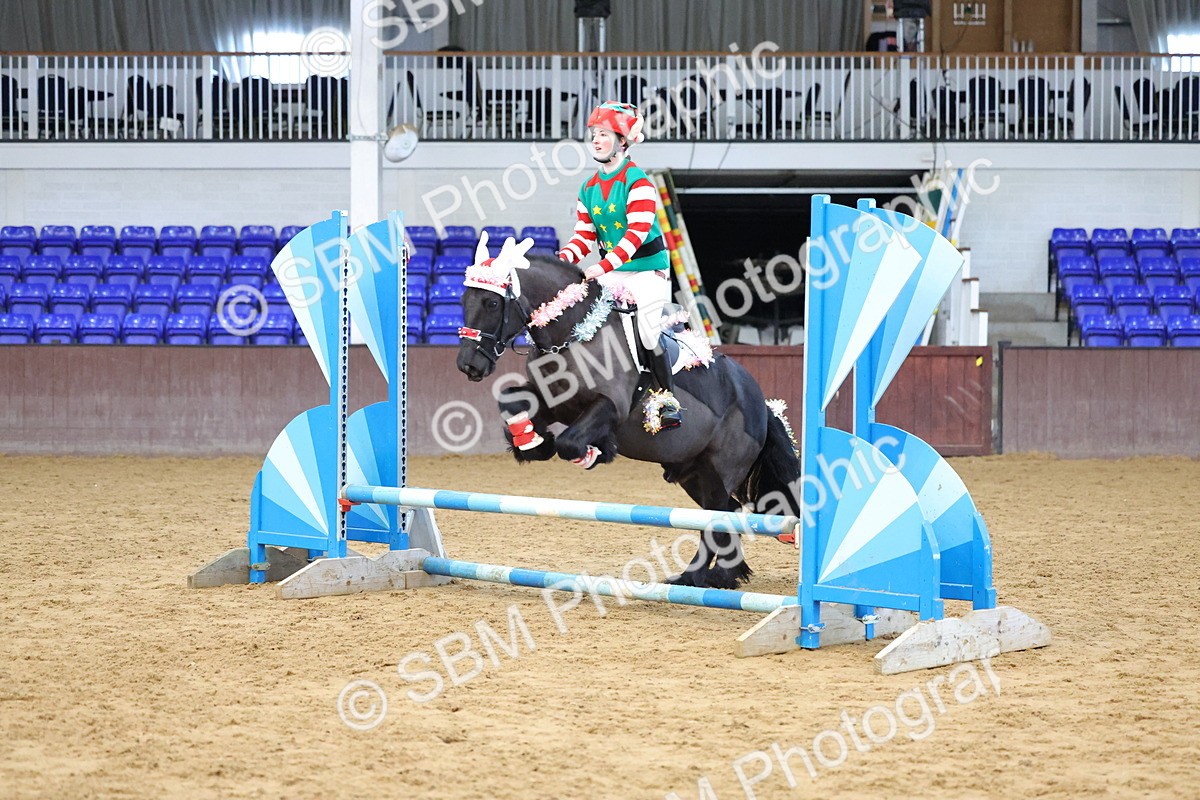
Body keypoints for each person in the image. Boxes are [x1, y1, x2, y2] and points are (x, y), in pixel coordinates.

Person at [557, 100, 681, 430]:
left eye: (603, 134)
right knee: (583, 325)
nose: (595, 140)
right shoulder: (588, 188)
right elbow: (582, 237)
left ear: (622, 141)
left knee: (648, 333)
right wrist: (561, 261)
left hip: (647, 270)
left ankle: (667, 401)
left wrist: (603, 266)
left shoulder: (638, 182)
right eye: (593, 134)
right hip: (612, 270)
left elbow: (637, 234)